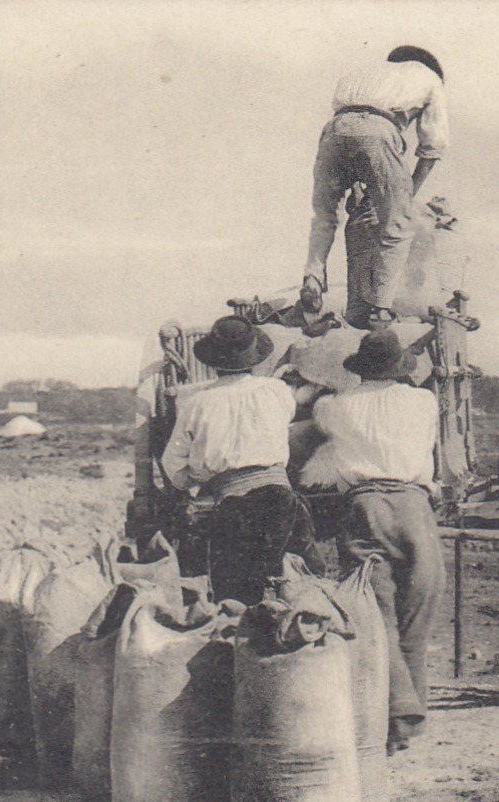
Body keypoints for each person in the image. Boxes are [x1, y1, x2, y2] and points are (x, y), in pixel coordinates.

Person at [311, 330, 443, 751]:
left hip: (364, 508)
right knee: (416, 614)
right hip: (414, 506)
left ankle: (397, 713)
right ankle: (408, 714)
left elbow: (313, 419)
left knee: (374, 611)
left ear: (360, 368)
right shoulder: (424, 402)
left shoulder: (332, 407)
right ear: (400, 368)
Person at [159, 316, 321, 605]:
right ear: (254, 358)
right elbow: (286, 418)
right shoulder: (276, 391)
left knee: (236, 599)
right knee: (302, 589)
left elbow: (173, 464)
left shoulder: (196, 403)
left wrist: (196, 482)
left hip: (232, 505)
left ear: (213, 361)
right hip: (281, 500)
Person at [301, 45, 448, 330]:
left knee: (325, 217)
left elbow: (350, 133)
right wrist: (406, 196)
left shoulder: (364, 71)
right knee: (399, 226)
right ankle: (381, 309)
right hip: (378, 130)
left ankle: (313, 277)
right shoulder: (430, 78)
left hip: (334, 129)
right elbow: (432, 146)